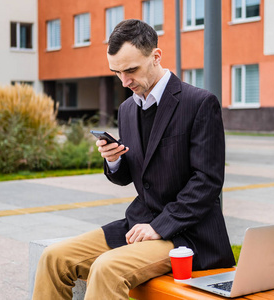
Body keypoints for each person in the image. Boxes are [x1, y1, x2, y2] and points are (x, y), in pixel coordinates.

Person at [32, 19, 235, 300]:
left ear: (156, 56)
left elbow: (208, 181)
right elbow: (129, 175)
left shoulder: (199, 103)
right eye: (116, 72)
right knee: (53, 258)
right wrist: (114, 161)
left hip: (188, 234)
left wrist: (158, 227)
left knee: (106, 268)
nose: (125, 82)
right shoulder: (127, 109)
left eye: (131, 70)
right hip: (138, 224)